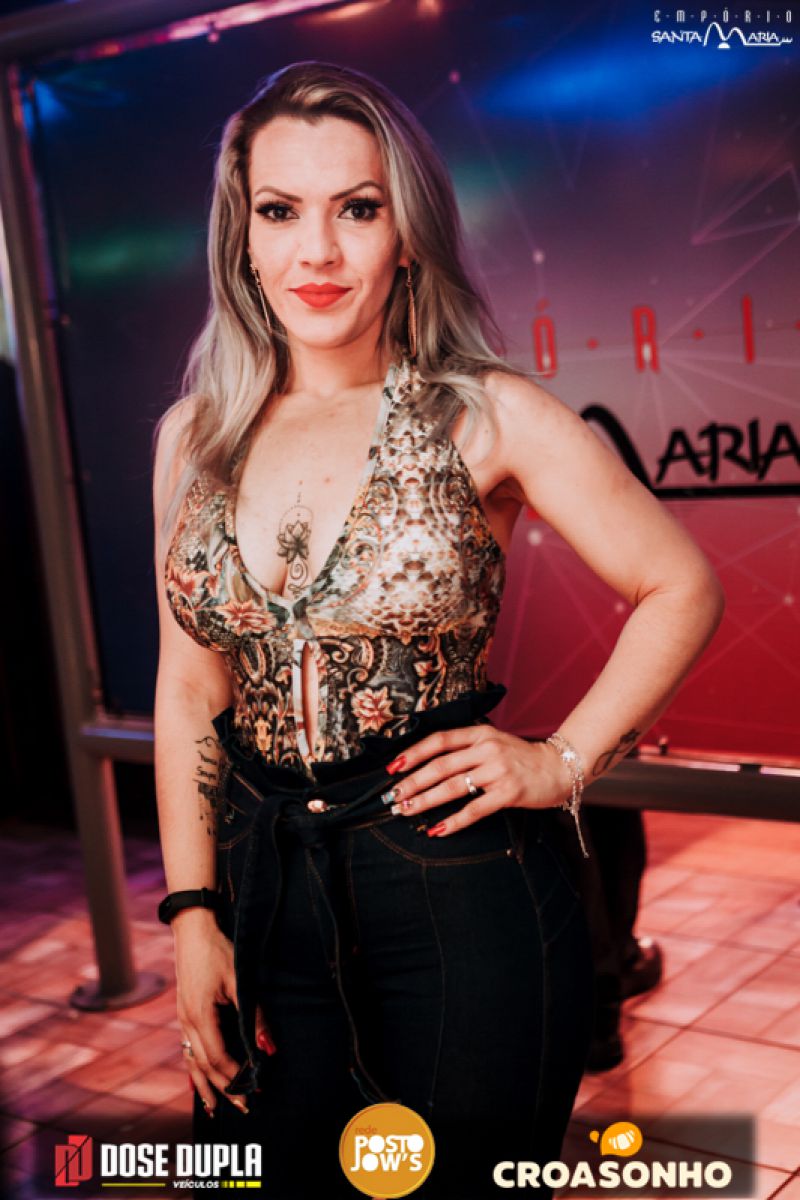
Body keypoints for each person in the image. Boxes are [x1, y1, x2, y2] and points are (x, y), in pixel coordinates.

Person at [151, 61, 725, 1200]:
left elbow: (682, 586)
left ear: (406, 234)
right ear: (242, 237)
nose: (317, 252)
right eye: (281, 211)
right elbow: (188, 687)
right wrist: (192, 916)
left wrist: (561, 762)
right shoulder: (194, 436)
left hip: (458, 890)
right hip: (269, 893)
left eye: (357, 209)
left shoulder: (486, 412)